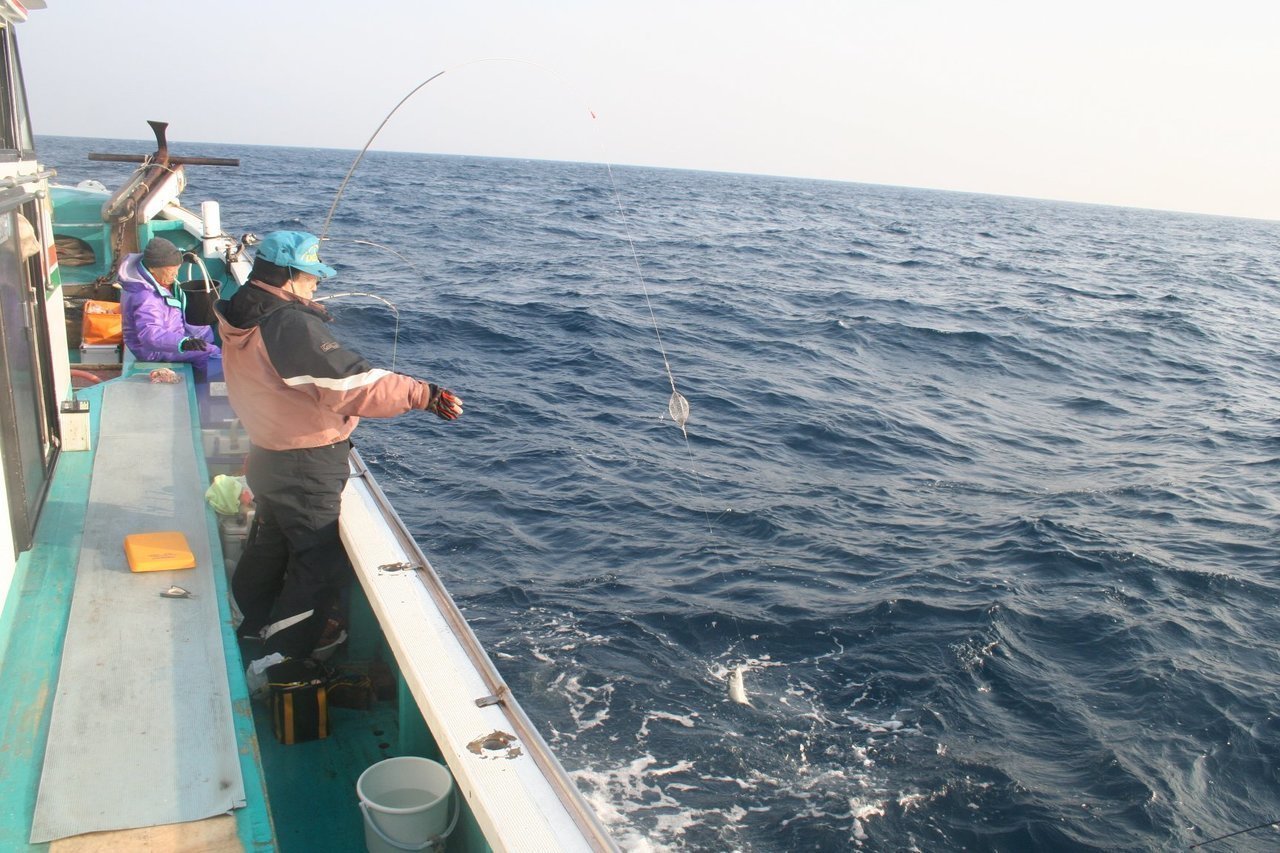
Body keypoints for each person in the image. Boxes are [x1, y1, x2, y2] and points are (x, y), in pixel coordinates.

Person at [214, 230, 462, 680]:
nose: (316, 285)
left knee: (271, 541)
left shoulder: (238, 303)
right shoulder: (287, 325)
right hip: (305, 465)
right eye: (311, 276)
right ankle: (281, 657)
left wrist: (304, 312)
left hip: (268, 453)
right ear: (289, 277)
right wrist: (423, 394)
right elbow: (351, 385)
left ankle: (251, 623)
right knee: (318, 563)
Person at [118, 236, 220, 374]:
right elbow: (150, 335)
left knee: (205, 330)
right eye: (171, 271)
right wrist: (182, 343)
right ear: (153, 269)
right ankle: (203, 386)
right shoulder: (146, 297)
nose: (176, 275)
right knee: (210, 353)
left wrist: (183, 255)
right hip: (154, 350)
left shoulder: (151, 272)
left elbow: (168, 258)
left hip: (171, 330)